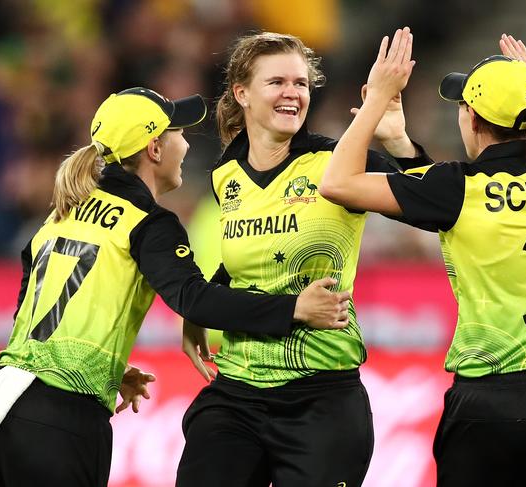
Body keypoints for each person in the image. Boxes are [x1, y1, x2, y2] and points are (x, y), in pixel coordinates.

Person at [0, 87, 352, 487]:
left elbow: (31, 311)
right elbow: (194, 299)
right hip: (58, 418)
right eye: (179, 133)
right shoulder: (148, 221)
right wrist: (292, 309)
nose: (185, 144)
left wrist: (106, 369)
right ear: (155, 148)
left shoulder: (63, 212)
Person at [321, 28, 526, 486]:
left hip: (492, 402)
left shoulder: (459, 187)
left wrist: (377, 102)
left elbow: (338, 182)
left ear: (470, 117)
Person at [176, 32, 424, 487]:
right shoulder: (225, 174)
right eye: (277, 82)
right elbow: (242, 258)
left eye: (301, 83)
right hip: (237, 390)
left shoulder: (338, 162)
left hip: (322, 397)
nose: (293, 92)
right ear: (242, 93)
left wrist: (400, 142)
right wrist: (199, 314)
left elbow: (431, 202)